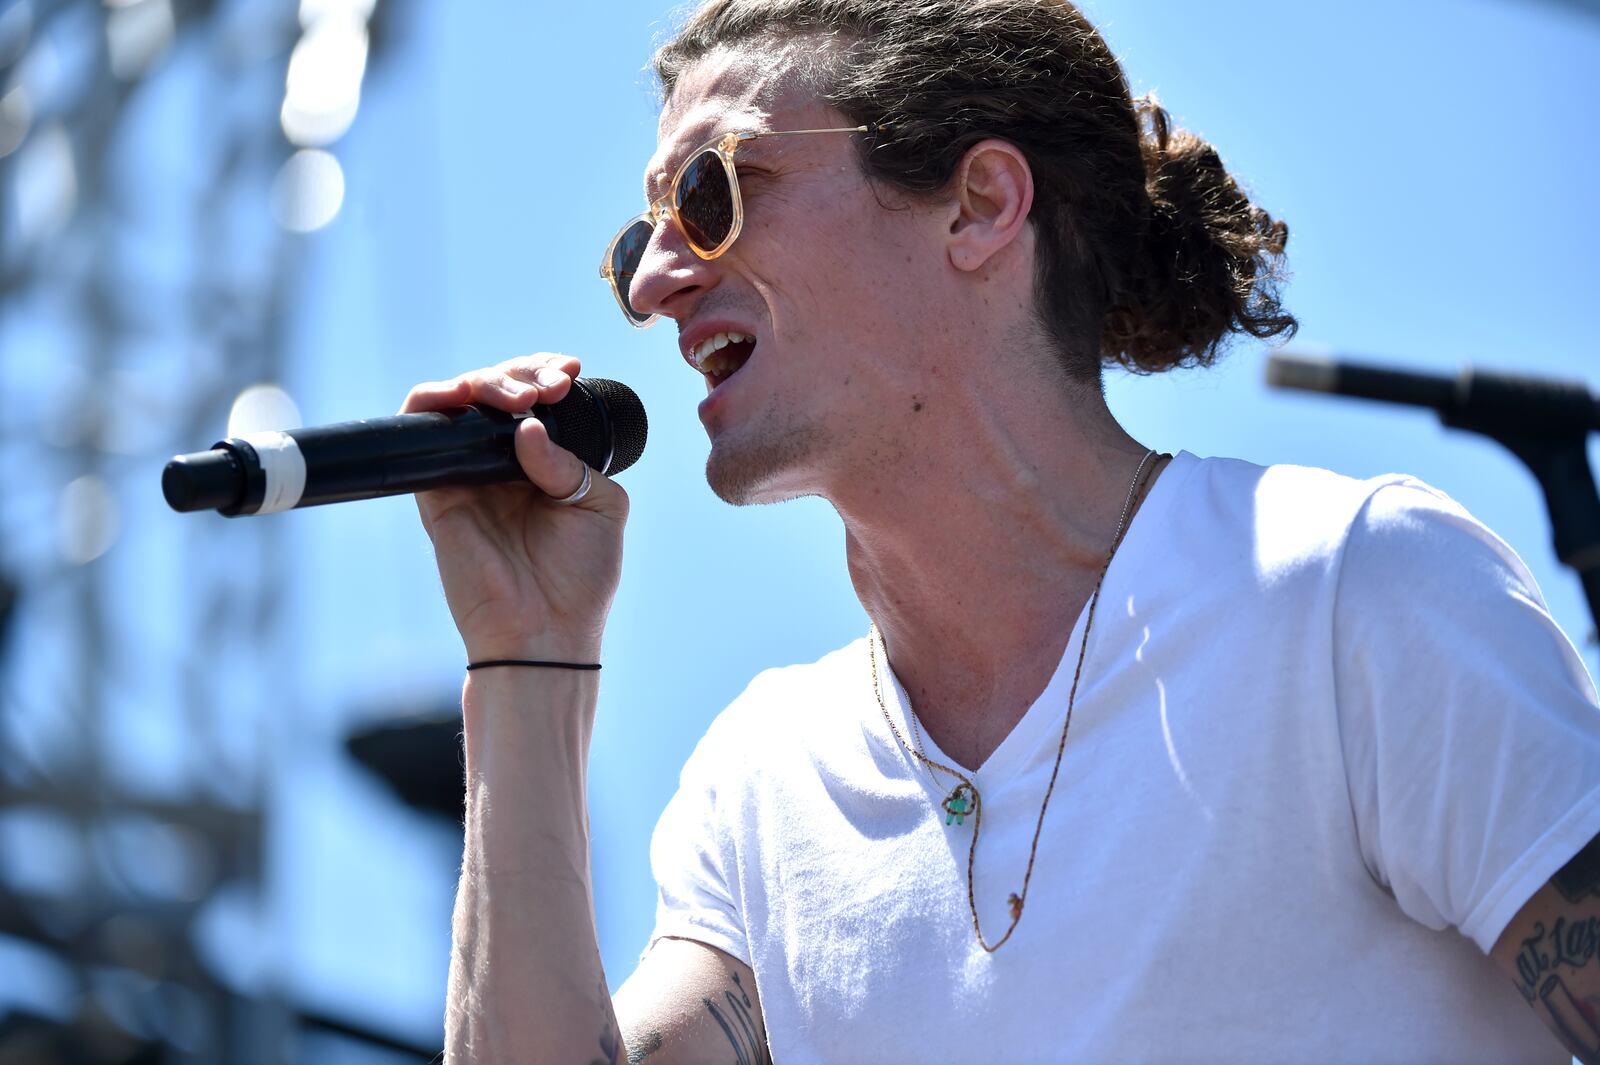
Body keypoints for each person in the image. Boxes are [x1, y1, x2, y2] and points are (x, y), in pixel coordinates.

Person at [402, 1, 1600, 1061]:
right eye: (637, 238)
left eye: (714, 193)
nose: (653, 282)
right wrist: (525, 650)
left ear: (978, 204)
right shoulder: (764, 779)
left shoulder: (1350, 594)